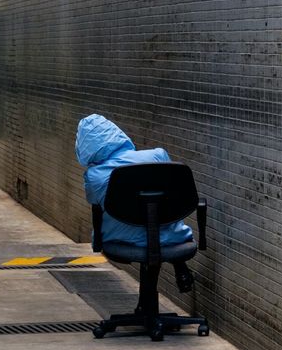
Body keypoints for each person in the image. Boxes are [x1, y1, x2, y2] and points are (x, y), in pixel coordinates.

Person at [75, 113, 194, 292]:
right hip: (173, 237)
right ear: (117, 134)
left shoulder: (94, 177)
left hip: (123, 241)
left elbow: (96, 205)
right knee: (159, 208)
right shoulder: (158, 156)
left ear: (86, 148)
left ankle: (145, 306)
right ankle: (178, 267)